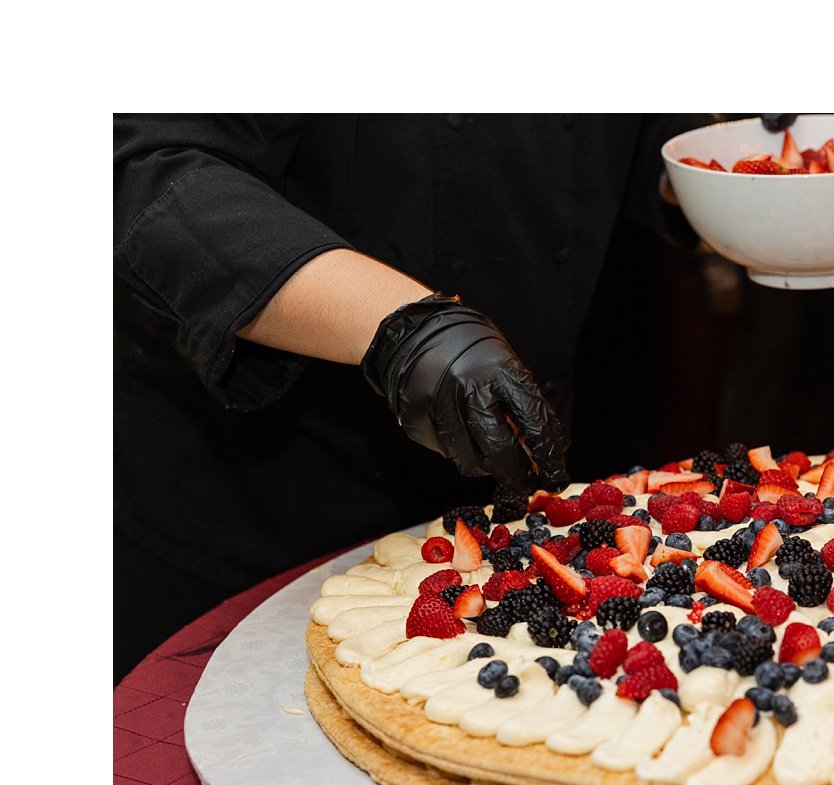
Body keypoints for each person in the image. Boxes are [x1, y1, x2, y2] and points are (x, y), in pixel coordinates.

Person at [113, 114, 709, 683]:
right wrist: (402, 327)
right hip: (261, 506)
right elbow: (152, 170)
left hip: (509, 528)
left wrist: (719, 159)